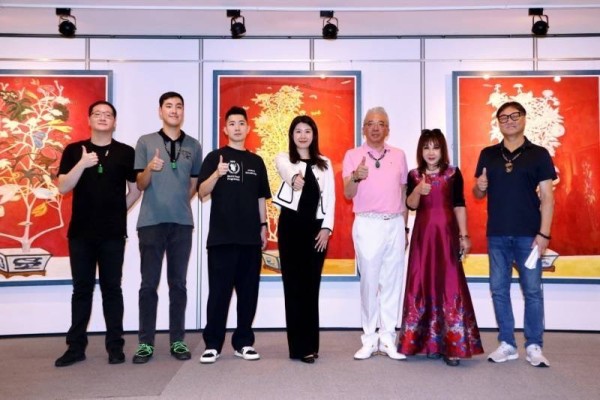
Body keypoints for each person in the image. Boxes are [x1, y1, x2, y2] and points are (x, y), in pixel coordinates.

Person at [55, 101, 141, 367]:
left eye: (108, 114)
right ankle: (75, 348)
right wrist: (82, 164)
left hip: (113, 234)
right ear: (89, 119)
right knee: (81, 289)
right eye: (97, 114)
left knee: (112, 289)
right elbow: (63, 187)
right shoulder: (74, 150)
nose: (103, 117)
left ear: (114, 122)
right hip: (81, 233)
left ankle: (115, 347)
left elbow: (135, 190)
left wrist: (118, 213)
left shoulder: (125, 152)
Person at [473, 101, 556, 368]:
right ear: (498, 122)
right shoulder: (488, 154)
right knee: (499, 290)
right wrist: (480, 186)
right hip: (497, 234)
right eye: (503, 117)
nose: (509, 121)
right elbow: (477, 194)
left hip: (529, 236)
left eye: (514, 116)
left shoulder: (539, 154)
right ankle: (507, 343)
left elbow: (548, 197)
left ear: (524, 118)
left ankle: (534, 345)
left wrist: (544, 234)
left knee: (532, 291)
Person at [397, 129, 483, 366]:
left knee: (449, 284)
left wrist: (464, 235)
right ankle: (427, 343)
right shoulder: (414, 175)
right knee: (422, 283)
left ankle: (452, 345)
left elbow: (459, 204)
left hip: (446, 236)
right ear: (420, 151)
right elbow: (410, 205)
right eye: (426, 147)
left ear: (442, 149)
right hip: (423, 238)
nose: (431, 152)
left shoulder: (453, 173)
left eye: (435, 147)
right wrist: (417, 190)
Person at [132, 92, 202, 364]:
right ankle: (145, 343)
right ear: (160, 111)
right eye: (169, 106)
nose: (174, 110)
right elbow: (140, 184)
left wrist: (179, 203)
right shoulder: (145, 141)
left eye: (179, 106)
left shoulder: (193, 145)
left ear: (183, 111)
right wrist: (150, 168)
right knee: (148, 284)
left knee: (178, 285)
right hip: (150, 222)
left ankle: (178, 341)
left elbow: (194, 183)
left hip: (182, 224)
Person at [198, 106, 271, 364]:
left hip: (250, 239)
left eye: (241, 123)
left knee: (248, 294)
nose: (237, 127)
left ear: (248, 128)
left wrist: (264, 226)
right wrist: (216, 174)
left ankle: (243, 343)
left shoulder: (256, 162)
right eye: (232, 123)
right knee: (219, 294)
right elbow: (202, 192)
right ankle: (212, 345)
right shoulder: (214, 157)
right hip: (221, 239)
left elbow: (261, 198)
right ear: (225, 129)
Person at [342, 106, 409, 361]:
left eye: (381, 123)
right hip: (367, 223)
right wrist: (356, 177)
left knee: (392, 283)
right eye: (370, 123)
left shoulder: (399, 155)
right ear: (363, 128)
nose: (375, 128)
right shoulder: (353, 155)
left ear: (387, 129)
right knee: (369, 283)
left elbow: (403, 193)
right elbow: (348, 193)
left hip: (395, 223)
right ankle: (369, 338)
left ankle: (388, 337)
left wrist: (404, 228)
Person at [273, 115, 335, 364]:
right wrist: (294, 178)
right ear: (292, 135)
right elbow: (286, 170)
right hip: (290, 228)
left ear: (313, 135)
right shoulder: (284, 158)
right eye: (298, 131)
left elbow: (331, 198)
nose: (302, 135)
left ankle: (310, 345)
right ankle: (297, 347)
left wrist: (327, 228)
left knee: (311, 286)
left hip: (316, 230)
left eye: (307, 131)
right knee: (293, 286)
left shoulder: (325, 163)